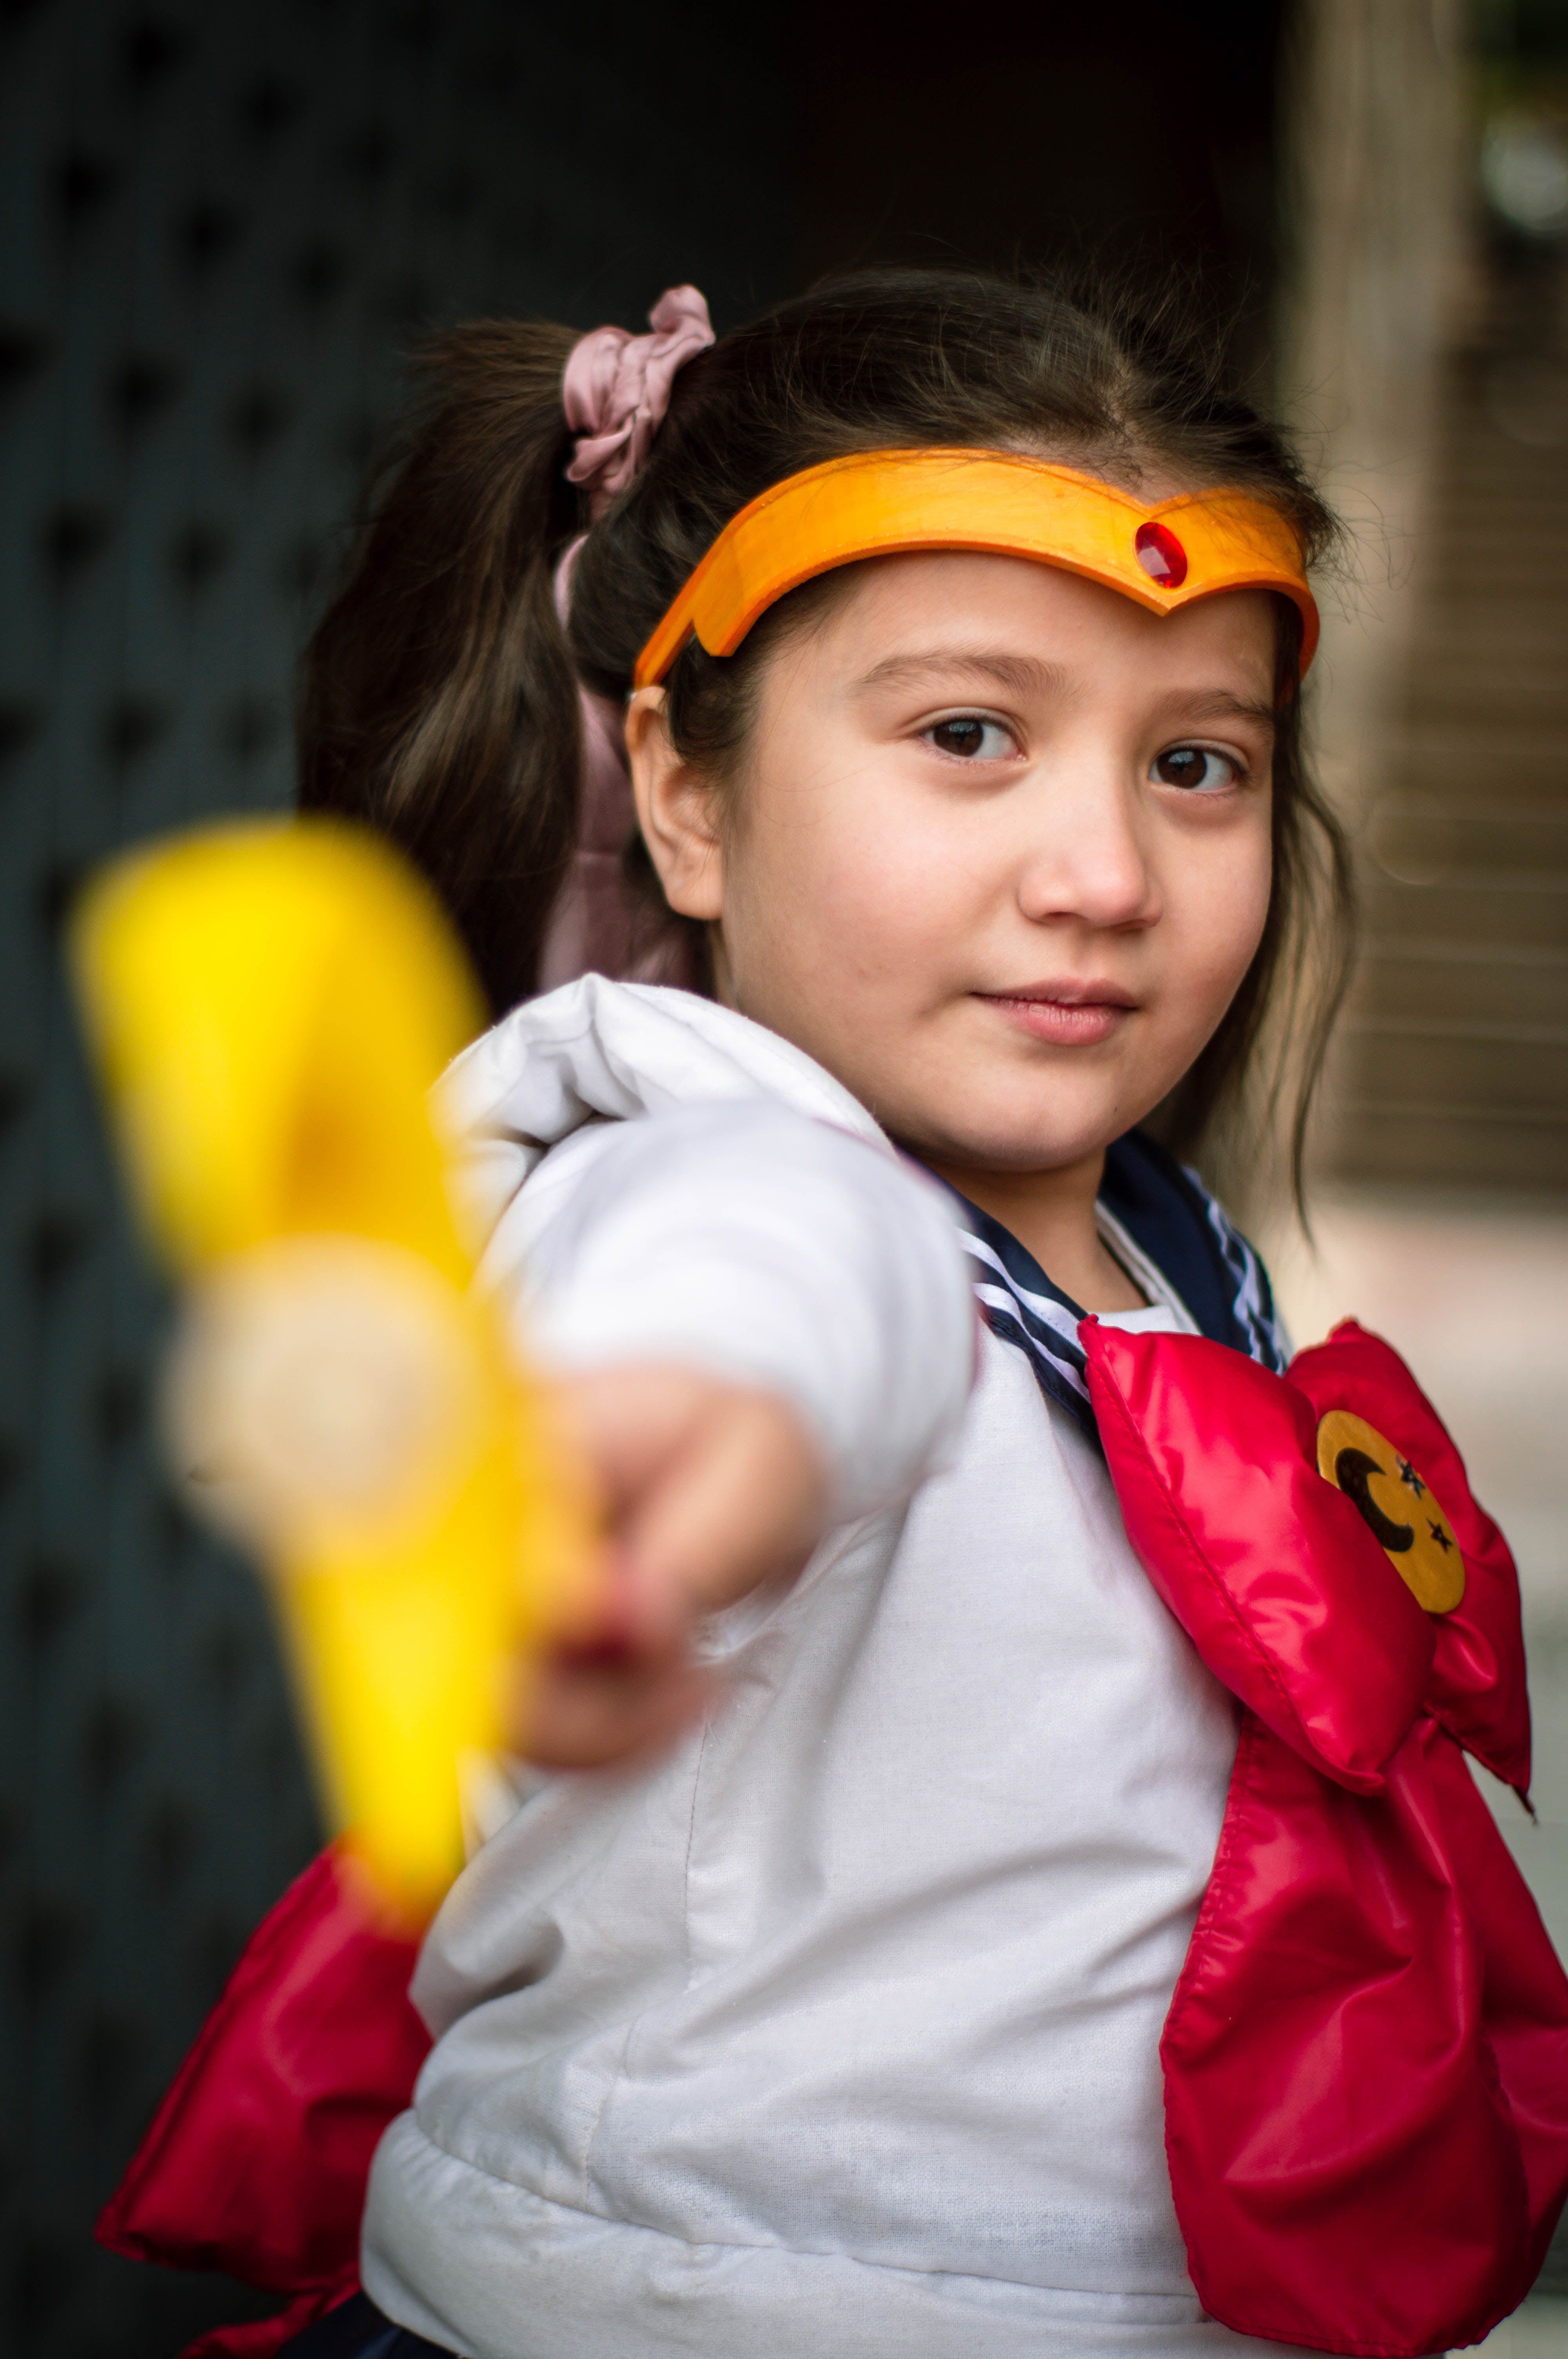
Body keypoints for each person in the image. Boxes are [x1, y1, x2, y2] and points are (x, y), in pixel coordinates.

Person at [284, 267, 1373, 2358]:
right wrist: (691, 1463)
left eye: (1202, 766)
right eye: (972, 735)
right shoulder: (711, 1160)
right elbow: (790, 1300)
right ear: (683, 794)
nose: (1108, 872)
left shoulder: (1155, 1241)